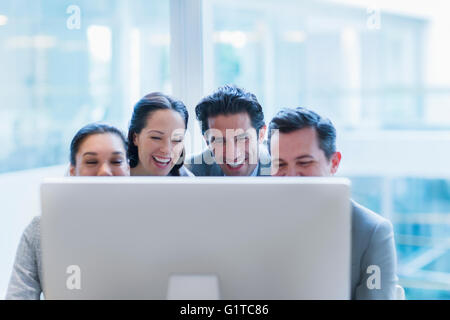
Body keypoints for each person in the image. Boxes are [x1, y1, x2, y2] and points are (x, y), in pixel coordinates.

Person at [268, 107, 398, 300]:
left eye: (304, 163)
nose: (291, 176)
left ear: (334, 163)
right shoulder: (259, 221)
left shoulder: (372, 232)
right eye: (280, 164)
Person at [6, 123, 130, 300]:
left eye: (116, 161)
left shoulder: (150, 225)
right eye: (92, 162)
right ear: (73, 171)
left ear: (128, 168)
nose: (105, 172)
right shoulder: (41, 229)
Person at [185, 85, 271, 176]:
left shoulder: (282, 170)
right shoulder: (189, 172)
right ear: (207, 142)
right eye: (219, 140)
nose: (232, 155)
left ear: (261, 135)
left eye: (242, 138)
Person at [128, 92, 193, 176]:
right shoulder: (114, 176)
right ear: (135, 138)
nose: (167, 149)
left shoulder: (186, 181)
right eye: (156, 137)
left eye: (177, 140)